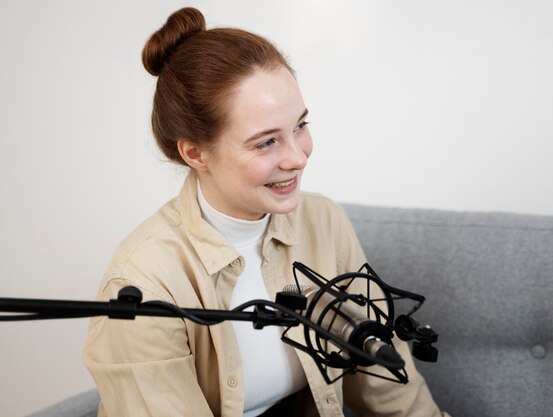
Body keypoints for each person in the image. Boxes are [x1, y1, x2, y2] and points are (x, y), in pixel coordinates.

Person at [83, 7, 447, 417]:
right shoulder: (143, 281)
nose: (297, 157)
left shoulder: (322, 221)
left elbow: (384, 375)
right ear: (195, 153)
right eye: (265, 142)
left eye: (300, 126)